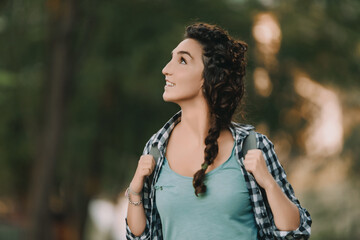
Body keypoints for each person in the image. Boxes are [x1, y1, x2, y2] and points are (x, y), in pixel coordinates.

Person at [125, 22, 312, 240]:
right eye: (172, 58)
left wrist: (268, 183)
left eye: (182, 60)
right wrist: (135, 190)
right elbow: (140, 237)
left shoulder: (252, 146)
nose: (166, 69)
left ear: (209, 76)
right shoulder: (155, 149)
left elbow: (296, 234)